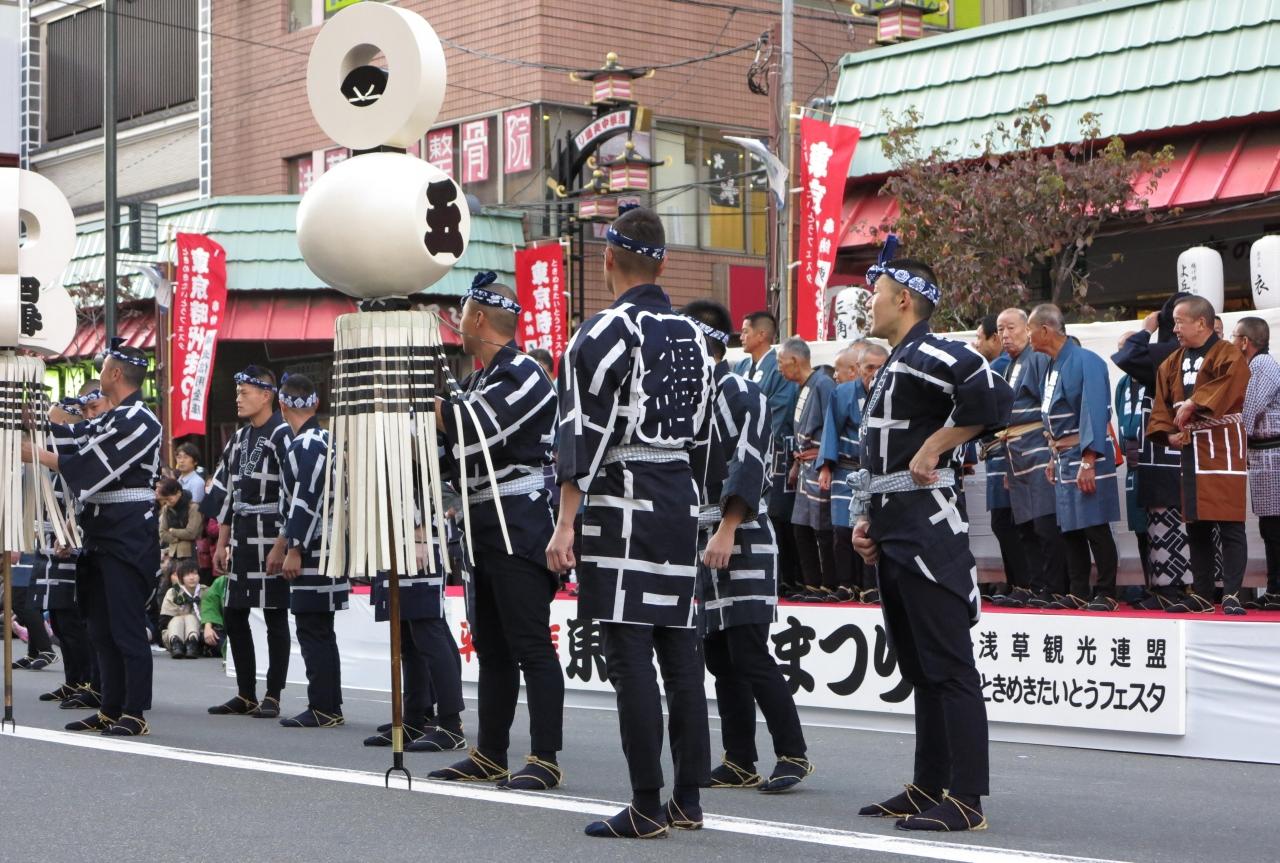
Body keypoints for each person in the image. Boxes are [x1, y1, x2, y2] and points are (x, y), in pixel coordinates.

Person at [547, 205, 714, 838]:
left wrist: (565, 523)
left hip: (622, 494)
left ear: (609, 260)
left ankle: (646, 803)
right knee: (680, 652)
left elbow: (580, 433)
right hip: (680, 496)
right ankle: (687, 799)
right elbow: (707, 434)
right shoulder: (699, 338)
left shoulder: (603, 332)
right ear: (663, 265)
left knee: (629, 652)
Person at [850, 251, 1009, 832]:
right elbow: (881, 455)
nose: (869, 303)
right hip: (895, 527)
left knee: (950, 665)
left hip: (929, 529)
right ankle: (928, 785)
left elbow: (996, 397)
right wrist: (866, 519)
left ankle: (966, 798)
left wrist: (938, 444)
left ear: (904, 299)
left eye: (876, 292)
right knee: (920, 667)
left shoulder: (934, 352)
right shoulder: (897, 362)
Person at [427, 273, 565, 789]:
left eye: (461, 313)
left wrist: (428, 406)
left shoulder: (526, 372)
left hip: (519, 522)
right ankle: (490, 752)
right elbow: (450, 455)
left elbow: (475, 429)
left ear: (479, 317)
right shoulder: (476, 381)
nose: (457, 322)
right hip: (483, 524)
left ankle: (545, 758)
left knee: (530, 644)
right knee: (492, 647)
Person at [685, 299, 812, 793]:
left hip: (742, 530)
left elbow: (750, 460)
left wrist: (728, 526)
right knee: (719, 655)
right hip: (705, 533)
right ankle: (739, 757)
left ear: (704, 341)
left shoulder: (740, 390)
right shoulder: (690, 395)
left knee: (749, 650)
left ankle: (793, 754)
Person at [23, 338, 162, 736]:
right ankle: (109, 708)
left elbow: (90, 465)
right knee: (99, 626)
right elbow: (73, 437)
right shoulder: (113, 417)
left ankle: (134, 712)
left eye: (102, 368)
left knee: (126, 627)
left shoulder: (142, 420)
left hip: (128, 532)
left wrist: (36, 453)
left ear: (116, 373)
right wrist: (29, 421)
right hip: (99, 531)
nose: (99, 374)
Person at [1148, 296, 1251, 615]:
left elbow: (1231, 383)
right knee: (1197, 524)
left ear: (1201, 323)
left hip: (1224, 443)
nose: (1175, 329)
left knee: (1230, 523)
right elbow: (1162, 404)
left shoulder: (1228, 353)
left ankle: (1232, 594)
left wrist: (1195, 403)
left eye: (1180, 322)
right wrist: (1167, 433)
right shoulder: (1172, 361)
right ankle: (1203, 594)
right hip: (1191, 446)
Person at [207, 366, 294, 718]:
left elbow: (292, 491)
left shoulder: (283, 434)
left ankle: (273, 694)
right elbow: (228, 491)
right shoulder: (239, 438)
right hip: (243, 532)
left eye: (245, 392)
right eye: (237, 392)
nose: (238, 399)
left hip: (272, 530)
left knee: (275, 614)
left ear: (266, 395)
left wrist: (283, 544)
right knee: (234, 612)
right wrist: (221, 541)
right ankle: (245, 692)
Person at [1026, 304, 1121, 612]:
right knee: (1070, 527)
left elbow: (1093, 411)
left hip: (1086, 454)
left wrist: (1088, 460)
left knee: (1095, 525)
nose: (1028, 337)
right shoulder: (1051, 365)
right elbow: (1053, 418)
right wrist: (1052, 456)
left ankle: (1107, 592)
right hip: (1063, 455)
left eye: (1029, 330)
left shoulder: (1085, 361)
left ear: (1045, 330)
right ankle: (1079, 590)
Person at [268, 372, 348, 728]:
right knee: (321, 629)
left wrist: (294, 547)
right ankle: (329, 703)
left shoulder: (308, 443)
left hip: (316, 546)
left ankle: (323, 706)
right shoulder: (325, 438)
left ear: (282, 404)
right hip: (328, 543)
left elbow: (305, 498)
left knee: (312, 627)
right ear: (315, 402)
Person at [1113, 294, 1195, 608]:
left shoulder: (1167, 352)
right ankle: (1178, 591)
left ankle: (1172, 592)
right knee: (1169, 524)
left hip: (1167, 452)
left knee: (1168, 523)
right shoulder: (1189, 354)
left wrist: (1146, 329)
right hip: (1175, 450)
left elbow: (1127, 356)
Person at [33, 386, 109, 707]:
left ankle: (89, 681)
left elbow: (83, 495)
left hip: (72, 541)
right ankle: (73, 679)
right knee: (58, 617)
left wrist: (69, 531)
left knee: (73, 616)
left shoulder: (81, 448)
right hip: (49, 540)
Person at [988, 308, 1065, 609]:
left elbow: (1049, 407)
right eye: (1000, 330)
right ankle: (1034, 586)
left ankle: (1054, 587)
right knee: (1024, 526)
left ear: (1028, 329)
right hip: (1015, 453)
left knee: (1045, 524)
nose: (1005, 335)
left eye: (1011, 328)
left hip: (1038, 449)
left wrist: (1053, 452)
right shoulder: (1009, 364)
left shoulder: (1038, 358)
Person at [735, 311, 801, 595]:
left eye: (745, 331)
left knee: (775, 514)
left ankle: (784, 578)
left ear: (762, 334)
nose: (741, 336)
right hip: (739, 451)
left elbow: (780, 409)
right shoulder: (740, 366)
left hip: (772, 452)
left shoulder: (778, 366)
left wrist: (751, 433)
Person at [970, 313, 1027, 604]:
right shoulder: (1001, 366)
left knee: (1009, 522)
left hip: (1008, 453)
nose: (975, 344)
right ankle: (1015, 582)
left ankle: (1023, 584)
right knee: (1004, 522)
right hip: (998, 454)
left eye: (979, 337)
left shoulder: (1000, 368)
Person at [777, 337, 837, 602]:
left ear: (794, 360)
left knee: (821, 526)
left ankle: (828, 584)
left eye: (780, 362)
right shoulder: (803, 386)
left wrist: (827, 464)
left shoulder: (823, 383)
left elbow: (832, 425)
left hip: (818, 465)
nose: (779, 368)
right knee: (800, 525)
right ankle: (810, 582)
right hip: (804, 465)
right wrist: (795, 464)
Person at [1234, 317, 1280, 609]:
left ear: (1245, 342)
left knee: (1274, 527)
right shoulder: (1256, 365)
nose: (1231, 342)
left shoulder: (1261, 365)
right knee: (1270, 526)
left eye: (1234, 336)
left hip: (1272, 456)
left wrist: (1234, 439)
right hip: (1264, 456)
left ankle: (1276, 589)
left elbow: (1249, 411)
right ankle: (1274, 588)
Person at [817, 343, 867, 603]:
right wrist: (826, 466)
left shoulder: (884, 390)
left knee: (869, 529)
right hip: (845, 469)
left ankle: (870, 586)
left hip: (871, 471)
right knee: (841, 530)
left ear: (854, 369)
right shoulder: (842, 393)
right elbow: (831, 430)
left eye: (838, 370)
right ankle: (846, 584)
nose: (834, 375)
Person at [1114, 337, 1154, 593]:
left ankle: (1168, 586)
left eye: (1126, 350)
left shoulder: (1154, 378)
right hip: (1132, 465)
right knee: (1140, 528)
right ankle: (1149, 584)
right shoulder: (1122, 384)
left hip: (1153, 461)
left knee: (1157, 526)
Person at [158, 560, 204, 659]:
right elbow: (164, 621)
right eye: (187, 575)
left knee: (190, 618)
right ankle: (177, 644)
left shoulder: (206, 591)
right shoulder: (174, 591)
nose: (191, 577)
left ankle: (192, 642)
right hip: (173, 633)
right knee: (178, 619)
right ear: (181, 577)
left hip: (199, 634)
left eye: (195, 574)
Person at [157, 477, 202, 566]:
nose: (167, 503)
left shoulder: (193, 507)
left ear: (178, 493)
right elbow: (162, 533)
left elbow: (191, 533)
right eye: (165, 500)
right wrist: (177, 538)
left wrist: (172, 531)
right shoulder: (166, 509)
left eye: (169, 499)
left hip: (190, 552)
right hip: (172, 552)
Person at [201, 572, 228, 657]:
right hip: (225, 629)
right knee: (212, 636)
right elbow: (210, 604)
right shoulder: (221, 581)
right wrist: (207, 627)